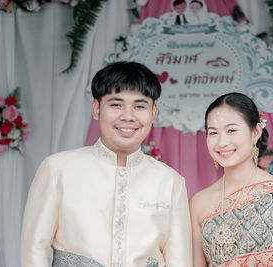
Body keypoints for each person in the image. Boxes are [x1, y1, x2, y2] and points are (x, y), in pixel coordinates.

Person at [21, 61, 192, 267]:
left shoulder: (170, 182)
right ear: (96, 109)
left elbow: (179, 261)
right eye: (116, 105)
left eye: (139, 106)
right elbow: (34, 250)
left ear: (153, 113)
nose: (128, 116)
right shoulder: (58, 169)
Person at [189, 92, 273, 266]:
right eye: (213, 133)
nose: (221, 142)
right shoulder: (199, 203)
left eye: (231, 131)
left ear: (255, 132)